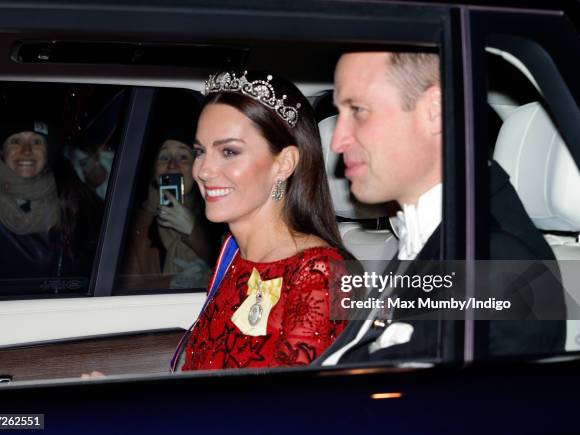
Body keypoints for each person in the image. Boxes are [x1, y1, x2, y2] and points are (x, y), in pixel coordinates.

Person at [318, 51, 566, 364]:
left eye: (358, 110)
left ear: (434, 110)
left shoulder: (499, 267)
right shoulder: (430, 237)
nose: (337, 140)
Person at [173, 71, 350, 371]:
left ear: (283, 164)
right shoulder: (234, 257)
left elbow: (286, 412)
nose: (203, 170)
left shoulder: (319, 275)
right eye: (201, 151)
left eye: (229, 152)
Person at [0, 114, 102, 291]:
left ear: (48, 150)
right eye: (15, 141)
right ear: (2, 149)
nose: (26, 151)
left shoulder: (70, 190)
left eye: (36, 142)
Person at [122, 136, 214, 289]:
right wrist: (172, 283)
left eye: (183, 157)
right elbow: (126, 290)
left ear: (196, 168)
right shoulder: (135, 223)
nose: (172, 165)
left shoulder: (219, 214)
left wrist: (193, 231)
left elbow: (234, 269)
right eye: (164, 158)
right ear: (153, 170)